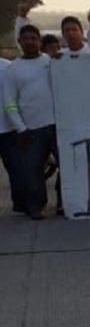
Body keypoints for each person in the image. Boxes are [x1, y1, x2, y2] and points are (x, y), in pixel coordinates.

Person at [3, 24, 58, 219]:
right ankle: (37, 207)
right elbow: (9, 103)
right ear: (19, 42)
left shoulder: (51, 62)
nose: (29, 42)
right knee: (33, 172)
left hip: (58, 125)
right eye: (25, 38)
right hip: (31, 130)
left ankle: (65, 203)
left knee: (68, 167)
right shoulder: (13, 69)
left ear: (39, 41)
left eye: (33, 38)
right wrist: (20, 128)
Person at [0, 57, 24, 213]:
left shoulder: (8, 67)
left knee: (16, 168)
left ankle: (21, 203)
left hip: (8, 127)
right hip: (9, 127)